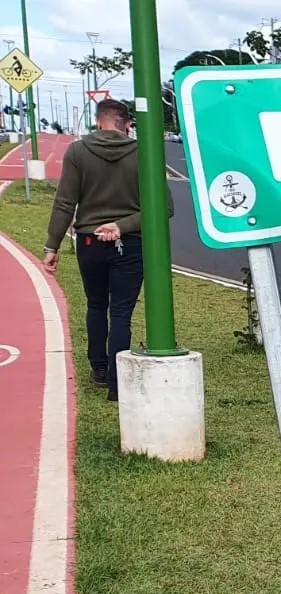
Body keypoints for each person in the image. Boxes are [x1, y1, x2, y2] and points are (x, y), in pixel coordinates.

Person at [42, 98, 172, 401]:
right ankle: (118, 384)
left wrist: (52, 245)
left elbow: (65, 203)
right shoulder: (143, 152)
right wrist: (123, 226)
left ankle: (99, 369)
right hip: (131, 243)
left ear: (98, 120)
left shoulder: (77, 151)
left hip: (89, 242)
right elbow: (164, 208)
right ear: (125, 123)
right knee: (122, 312)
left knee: (96, 305)